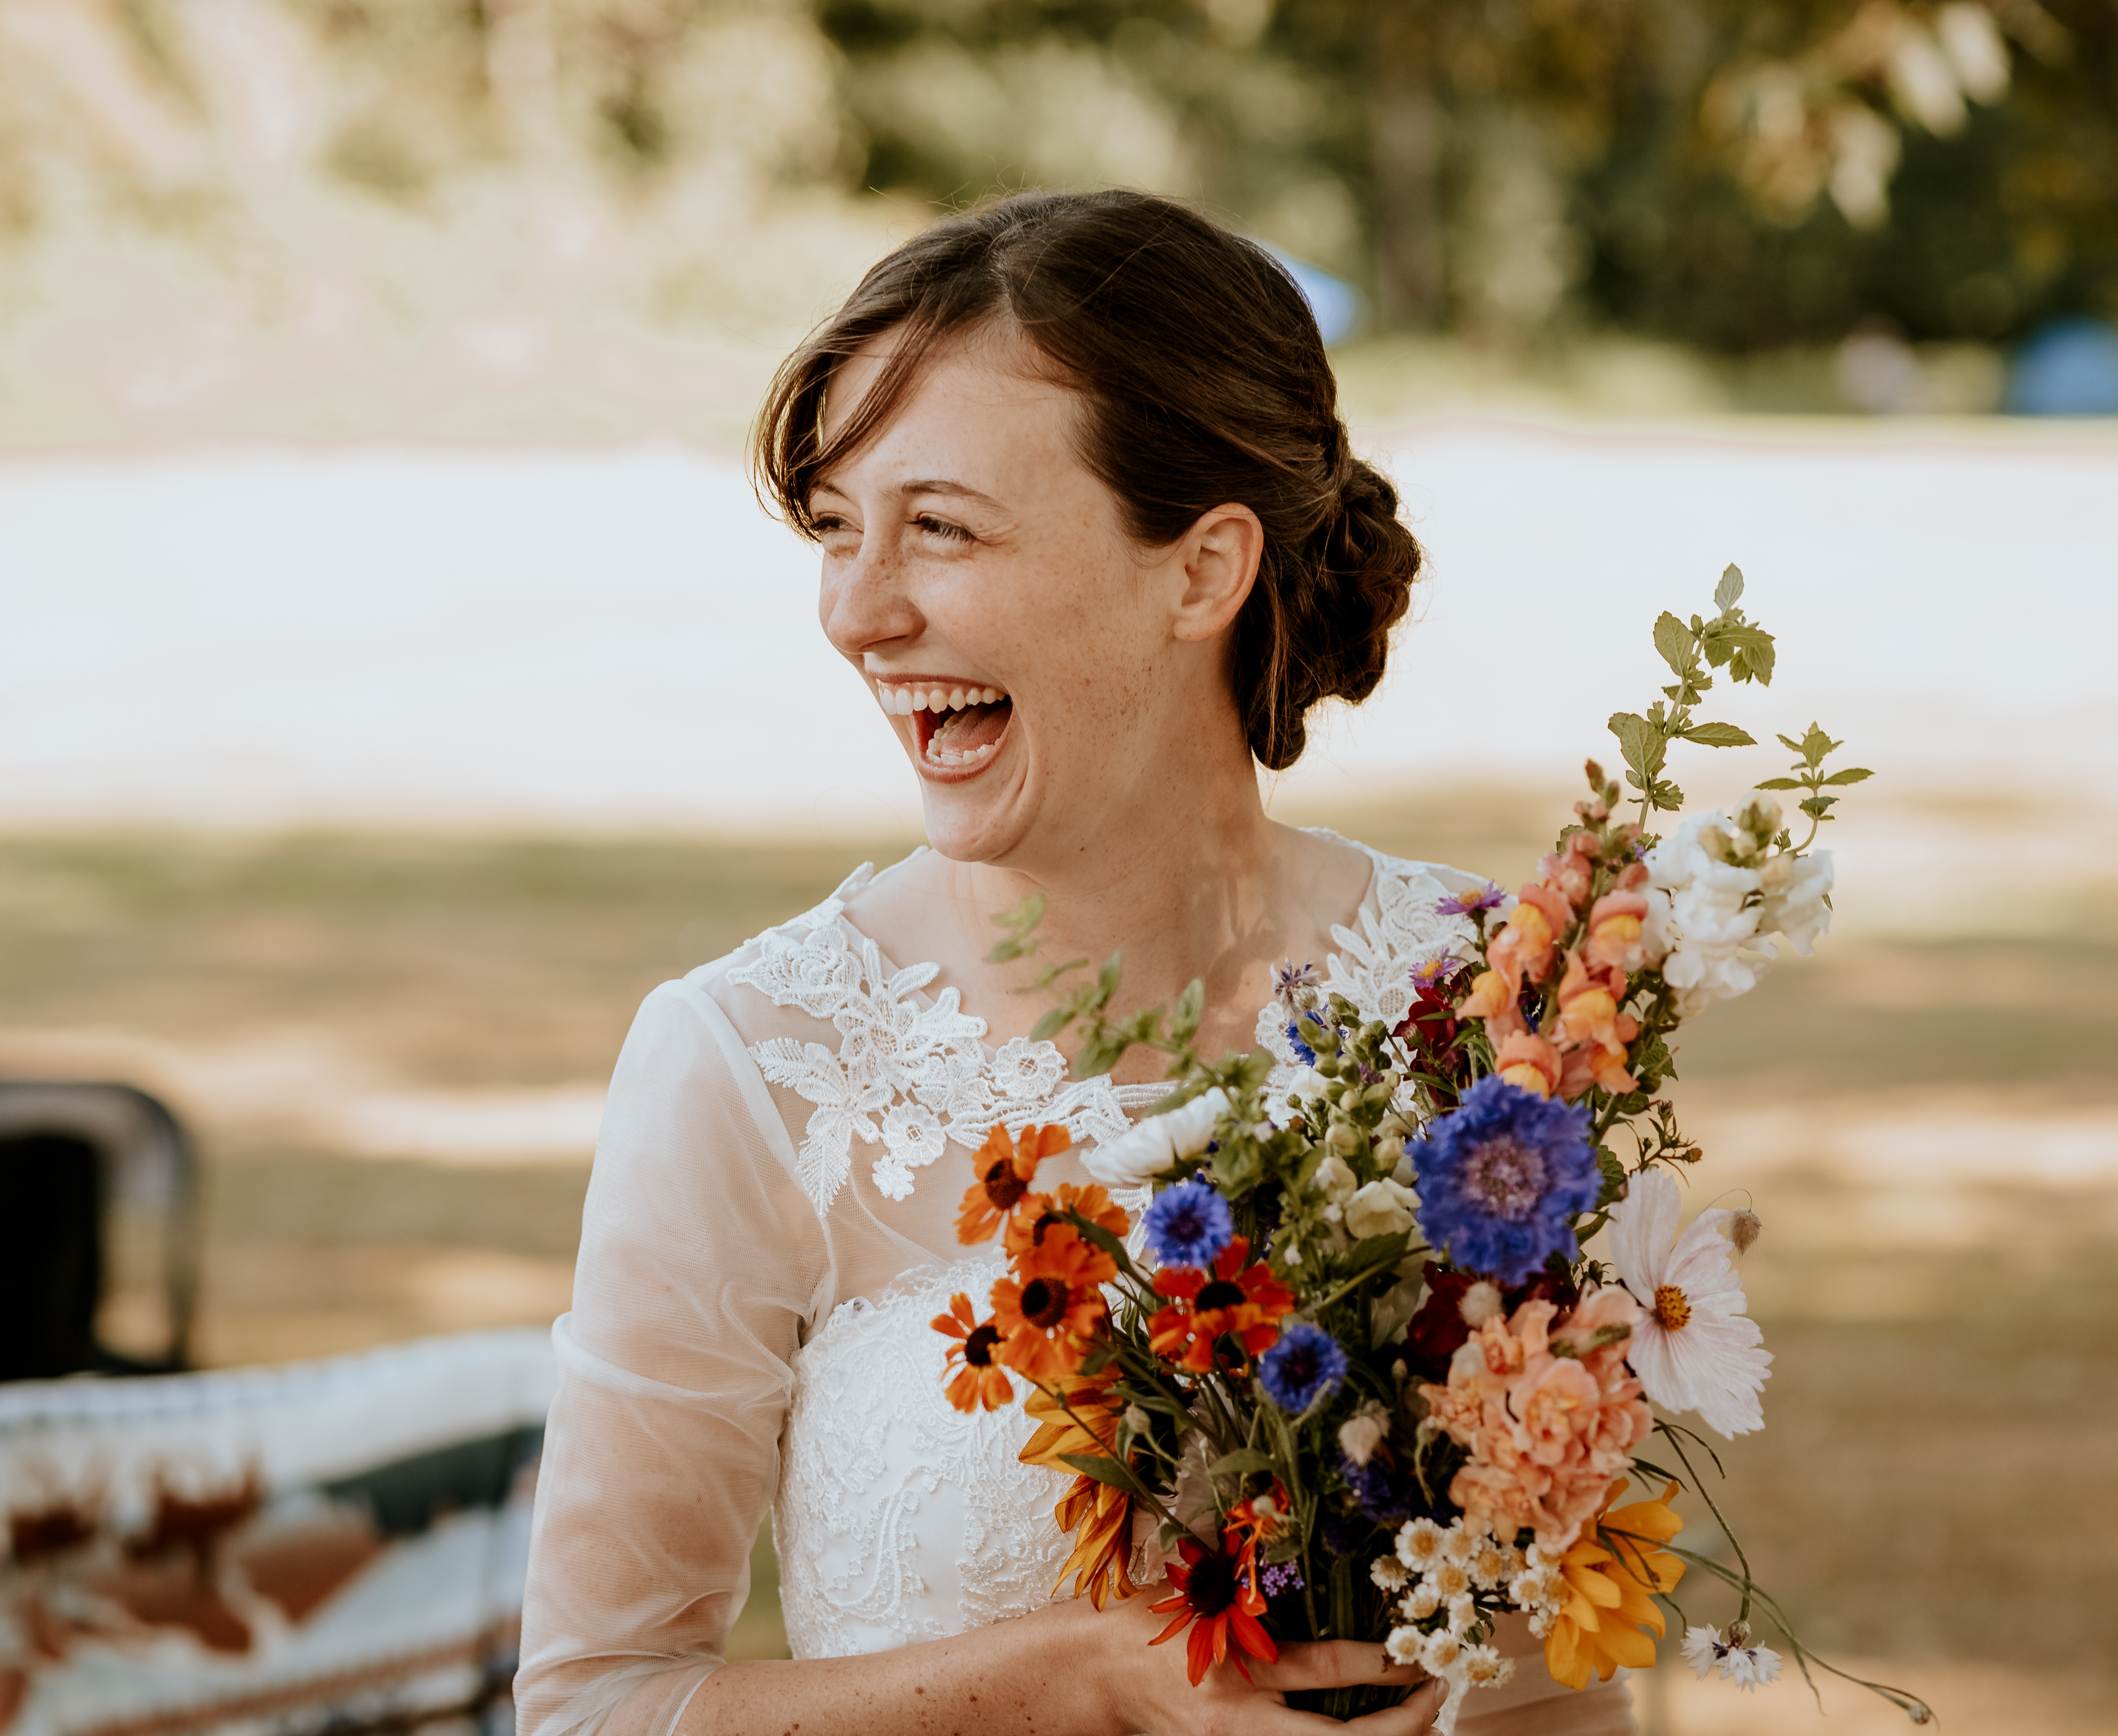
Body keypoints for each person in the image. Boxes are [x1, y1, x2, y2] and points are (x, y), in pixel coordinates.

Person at [515, 190, 1639, 1736]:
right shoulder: (752, 1061)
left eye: (943, 528)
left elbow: (1578, 1668)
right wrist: (1069, 1683)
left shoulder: (1483, 1013)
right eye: (840, 529)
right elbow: (594, 1707)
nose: (856, 611)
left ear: (1201, 571)